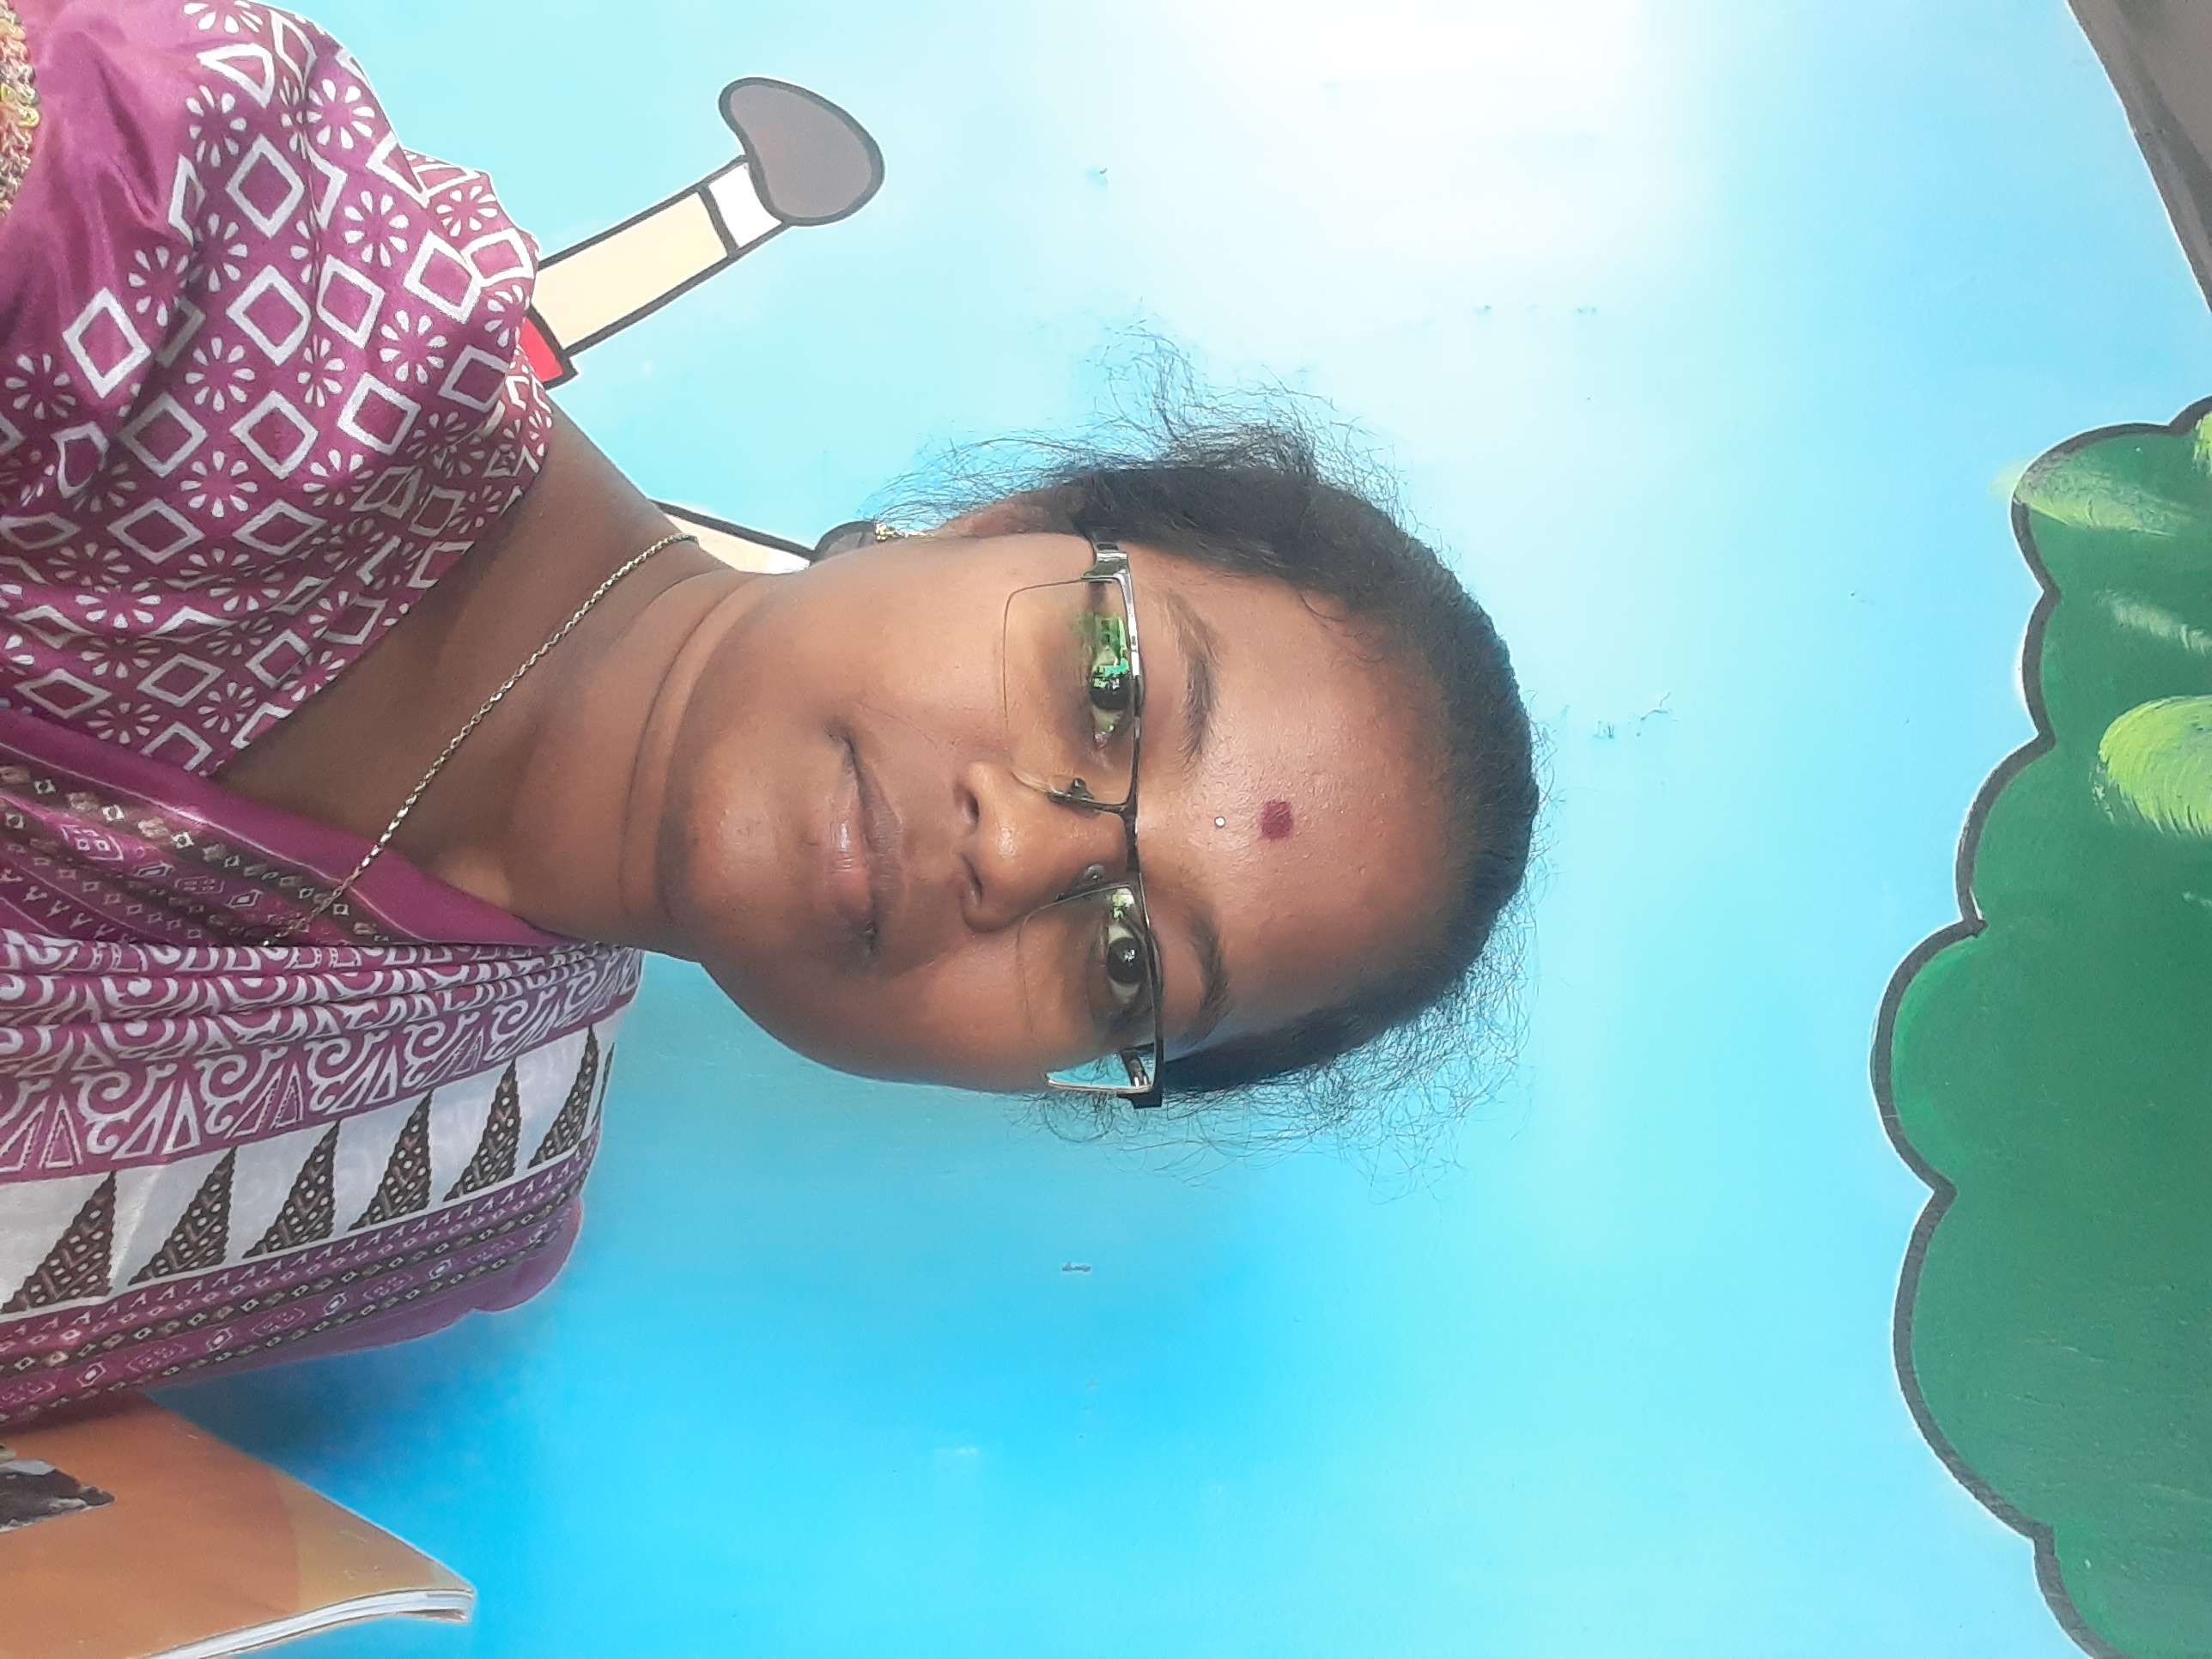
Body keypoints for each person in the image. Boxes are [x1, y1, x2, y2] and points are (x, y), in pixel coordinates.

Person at [0, 0, 1537, 1425]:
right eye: (1110, 689)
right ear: (998, 523)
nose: (1018, 851)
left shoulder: (445, 1183)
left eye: (1127, 961)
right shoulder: (200, 250)